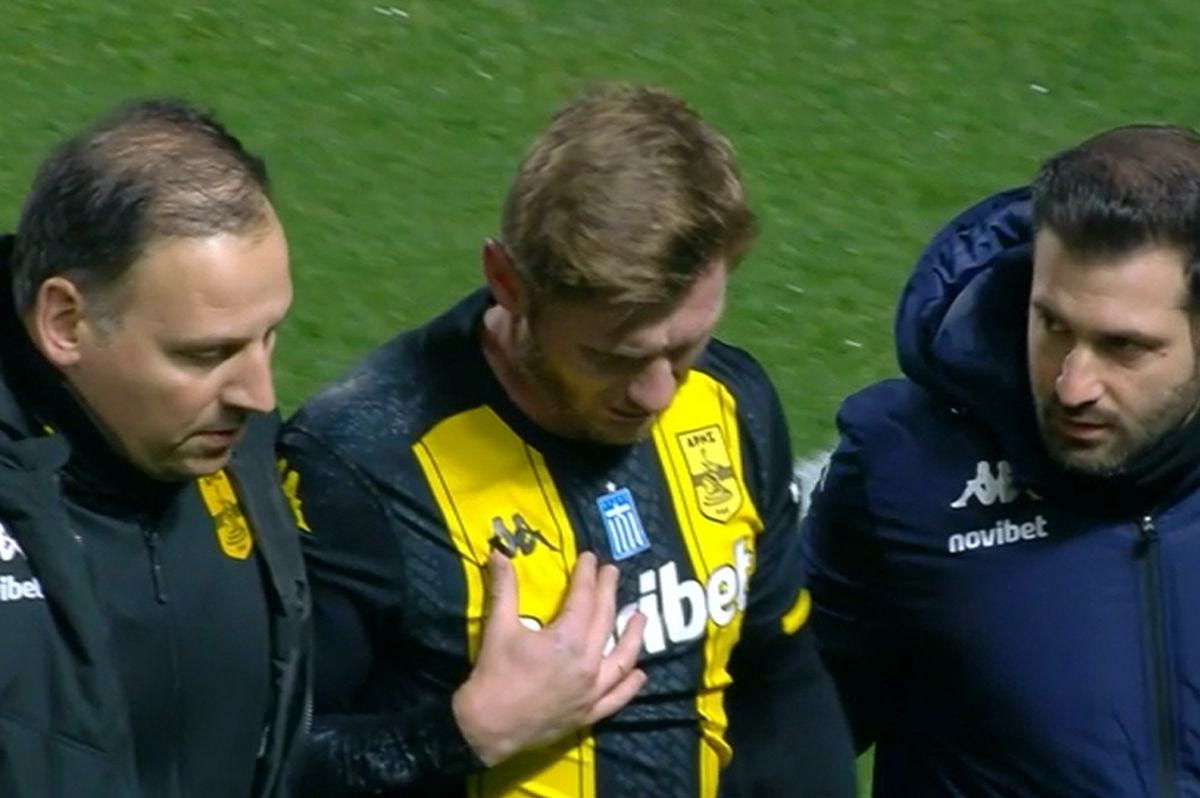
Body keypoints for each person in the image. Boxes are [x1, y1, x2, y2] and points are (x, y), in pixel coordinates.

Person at [279, 84, 855, 797]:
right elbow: (253, 756)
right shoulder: (364, 463)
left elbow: (777, 673)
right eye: (612, 358)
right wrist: (465, 732)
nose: (657, 393)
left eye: (685, 347)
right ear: (507, 283)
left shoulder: (731, 403)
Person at [801, 124, 1200, 796]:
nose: (1073, 385)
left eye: (1123, 347)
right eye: (1053, 326)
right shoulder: (906, 472)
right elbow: (782, 739)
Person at [0, 99, 309, 797]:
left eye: (269, 336)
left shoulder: (229, 438)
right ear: (66, 322)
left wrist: (452, 730)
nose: (260, 395)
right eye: (206, 354)